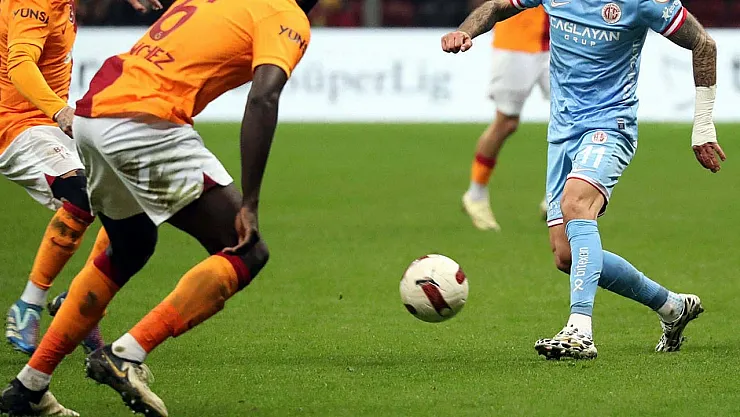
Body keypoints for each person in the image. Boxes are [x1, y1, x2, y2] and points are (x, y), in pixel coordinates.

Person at [0, 0, 315, 414]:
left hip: (94, 113)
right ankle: (126, 354)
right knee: (246, 249)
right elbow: (263, 99)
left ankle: (29, 386)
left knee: (131, 245)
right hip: (143, 120)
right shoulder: (287, 16)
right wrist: (251, 202)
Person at [442, 0, 724, 359]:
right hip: (562, 132)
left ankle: (579, 330)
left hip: (610, 125)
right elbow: (497, 7)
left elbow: (703, 44)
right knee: (566, 256)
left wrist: (703, 126)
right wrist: (465, 31)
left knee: (576, 203)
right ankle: (671, 306)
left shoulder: (642, 3)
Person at [1, 0, 160, 357]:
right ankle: (28, 305)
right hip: (17, 125)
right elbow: (20, 65)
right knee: (82, 195)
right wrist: (60, 111)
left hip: (48, 125)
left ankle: (81, 300)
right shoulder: (32, 3)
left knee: (132, 200)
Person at [462, 5, 549, 231]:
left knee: (573, 117)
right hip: (517, 41)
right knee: (506, 122)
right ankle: (475, 194)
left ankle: (558, 194)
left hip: (563, 41)